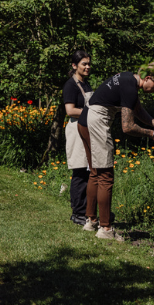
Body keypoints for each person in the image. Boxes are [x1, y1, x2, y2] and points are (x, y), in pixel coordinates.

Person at [77, 63, 154, 241]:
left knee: (95, 172)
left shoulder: (127, 78)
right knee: (106, 175)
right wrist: (152, 134)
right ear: (148, 78)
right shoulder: (130, 87)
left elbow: (137, 110)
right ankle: (106, 229)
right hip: (96, 122)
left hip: (85, 121)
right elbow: (127, 127)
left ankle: (91, 221)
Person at [62, 50, 93, 226]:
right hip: (76, 129)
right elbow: (70, 110)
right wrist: (93, 112)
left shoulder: (86, 84)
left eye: (89, 64)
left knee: (89, 172)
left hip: (88, 129)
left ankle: (87, 211)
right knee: (80, 171)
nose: (88, 67)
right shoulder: (71, 86)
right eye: (84, 64)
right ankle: (77, 213)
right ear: (74, 66)